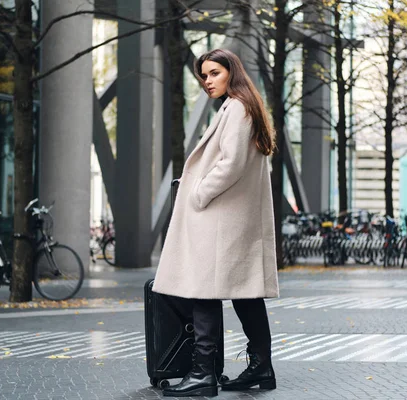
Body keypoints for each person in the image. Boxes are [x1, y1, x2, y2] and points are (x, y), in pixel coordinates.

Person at [152, 48, 279, 397]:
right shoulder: (242, 105)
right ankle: (261, 367)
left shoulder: (237, 108)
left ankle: (203, 373)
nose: (207, 81)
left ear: (231, 72)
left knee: (204, 291)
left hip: (222, 217)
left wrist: (198, 193)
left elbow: (231, 163)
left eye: (214, 73)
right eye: (204, 76)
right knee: (245, 294)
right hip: (234, 218)